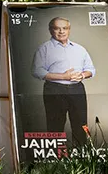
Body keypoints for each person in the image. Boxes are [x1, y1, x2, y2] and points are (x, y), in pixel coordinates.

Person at [31, 16, 95, 147]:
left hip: (77, 89)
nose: (61, 31)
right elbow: (37, 71)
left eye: (64, 28)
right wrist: (63, 76)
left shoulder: (80, 49)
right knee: (55, 126)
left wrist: (82, 75)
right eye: (57, 28)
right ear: (50, 30)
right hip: (54, 90)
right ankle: (57, 160)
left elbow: (91, 70)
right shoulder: (44, 49)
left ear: (69, 30)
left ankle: (80, 158)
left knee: (80, 125)